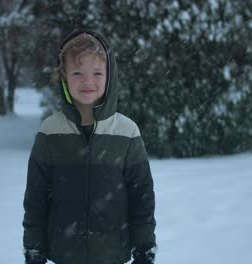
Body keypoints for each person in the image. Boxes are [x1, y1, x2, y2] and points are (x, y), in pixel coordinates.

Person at [23, 29, 157, 264]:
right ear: (63, 76)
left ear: (110, 76)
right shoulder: (50, 131)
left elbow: (141, 197)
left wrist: (144, 247)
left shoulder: (126, 132)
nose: (87, 81)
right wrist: (34, 248)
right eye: (77, 72)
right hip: (63, 255)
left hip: (112, 255)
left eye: (97, 72)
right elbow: (36, 198)